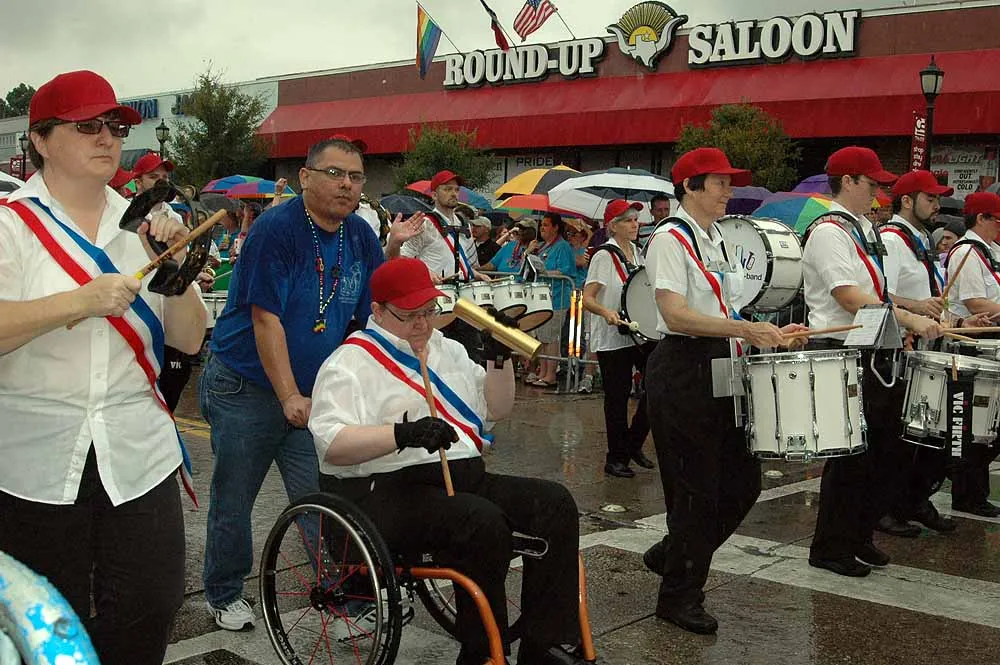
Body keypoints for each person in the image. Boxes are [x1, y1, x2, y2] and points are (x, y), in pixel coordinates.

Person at [0, 70, 206, 664]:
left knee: (151, 605)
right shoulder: (11, 224)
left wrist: (174, 268)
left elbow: (189, 339)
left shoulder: (145, 223)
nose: (107, 137)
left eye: (114, 126)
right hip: (34, 457)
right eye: (86, 126)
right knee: (48, 620)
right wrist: (80, 301)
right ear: (40, 139)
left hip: (137, 450)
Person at [309, 257, 585, 665]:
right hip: (387, 491)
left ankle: (545, 644)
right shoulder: (350, 363)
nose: (422, 324)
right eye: (409, 316)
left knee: (554, 503)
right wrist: (401, 434)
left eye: (428, 311)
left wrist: (498, 360)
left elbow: (496, 409)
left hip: (462, 477)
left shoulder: (448, 350)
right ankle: (482, 653)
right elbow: (331, 443)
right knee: (478, 522)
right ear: (378, 311)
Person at [199, 137, 419, 630]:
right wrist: (288, 396)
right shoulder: (275, 230)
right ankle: (224, 593)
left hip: (312, 391)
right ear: (305, 177)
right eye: (334, 173)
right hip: (246, 385)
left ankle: (344, 600)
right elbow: (265, 320)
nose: (346, 185)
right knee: (235, 497)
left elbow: (372, 317)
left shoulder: (359, 235)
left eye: (355, 177)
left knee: (322, 500)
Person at [640, 147, 806, 634]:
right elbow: (674, 314)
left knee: (742, 483)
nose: (729, 193)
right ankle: (679, 597)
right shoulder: (670, 237)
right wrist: (743, 329)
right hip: (684, 367)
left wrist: (768, 332)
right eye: (719, 183)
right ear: (690, 187)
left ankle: (673, 554)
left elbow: (723, 308)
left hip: (721, 364)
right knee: (695, 493)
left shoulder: (715, 237)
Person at [802, 147, 942, 579]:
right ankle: (830, 546)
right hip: (841, 347)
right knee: (850, 455)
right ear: (847, 181)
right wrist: (908, 318)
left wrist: (908, 313)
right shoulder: (829, 231)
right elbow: (848, 296)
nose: (879, 193)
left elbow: (877, 293)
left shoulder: (863, 228)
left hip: (874, 347)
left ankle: (858, 534)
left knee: (885, 452)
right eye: (872, 183)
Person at [877, 170, 959, 536]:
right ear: (907, 200)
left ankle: (913, 500)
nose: (937, 205)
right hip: (900, 349)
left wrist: (954, 319)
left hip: (925, 345)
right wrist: (917, 308)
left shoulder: (919, 240)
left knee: (928, 436)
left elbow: (930, 297)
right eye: (930, 198)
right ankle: (886, 508)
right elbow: (882, 294)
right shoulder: (892, 240)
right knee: (900, 438)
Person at [583, 200, 657, 477]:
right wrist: (606, 313)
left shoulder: (638, 253)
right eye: (628, 220)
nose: (635, 224)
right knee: (617, 398)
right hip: (613, 337)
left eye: (636, 219)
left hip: (638, 333)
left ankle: (632, 444)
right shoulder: (604, 256)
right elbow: (588, 298)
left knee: (657, 386)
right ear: (613, 226)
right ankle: (615, 458)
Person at [941, 191, 1000, 517]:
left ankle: (973, 490)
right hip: (973, 342)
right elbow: (976, 302)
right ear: (982, 218)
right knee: (975, 424)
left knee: (990, 424)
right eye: (997, 220)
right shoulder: (966, 252)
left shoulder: (990, 251)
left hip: (990, 341)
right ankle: (967, 492)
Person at [131, 150, 204, 411]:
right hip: (139, 319)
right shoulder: (123, 217)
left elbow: (184, 264)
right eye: (154, 177)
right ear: (138, 182)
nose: (161, 182)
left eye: (165, 177)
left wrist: (193, 270)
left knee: (168, 401)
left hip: (172, 319)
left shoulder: (176, 218)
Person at [401, 170, 491, 361]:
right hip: (437, 298)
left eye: (456, 190)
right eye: (447, 189)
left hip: (464, 299)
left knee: (469, 355)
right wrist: (426, 273)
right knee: (437, 354)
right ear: (434, 194)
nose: (453, 193)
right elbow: (404, 256)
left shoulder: (464, 224)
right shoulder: (425, 223)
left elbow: (463, 260)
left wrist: (476, 274)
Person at [527, 213, 575, 388]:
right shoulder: (541, 246)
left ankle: (551, 374)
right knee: (542, 337)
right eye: (542, 225)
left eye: (546, 225)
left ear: (555, 227)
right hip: (542, 299)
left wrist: (545, 273)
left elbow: (565, 271)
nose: (542, 228)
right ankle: (543, 371)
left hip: (557, 298)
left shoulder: (563, 247)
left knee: (551, 337)